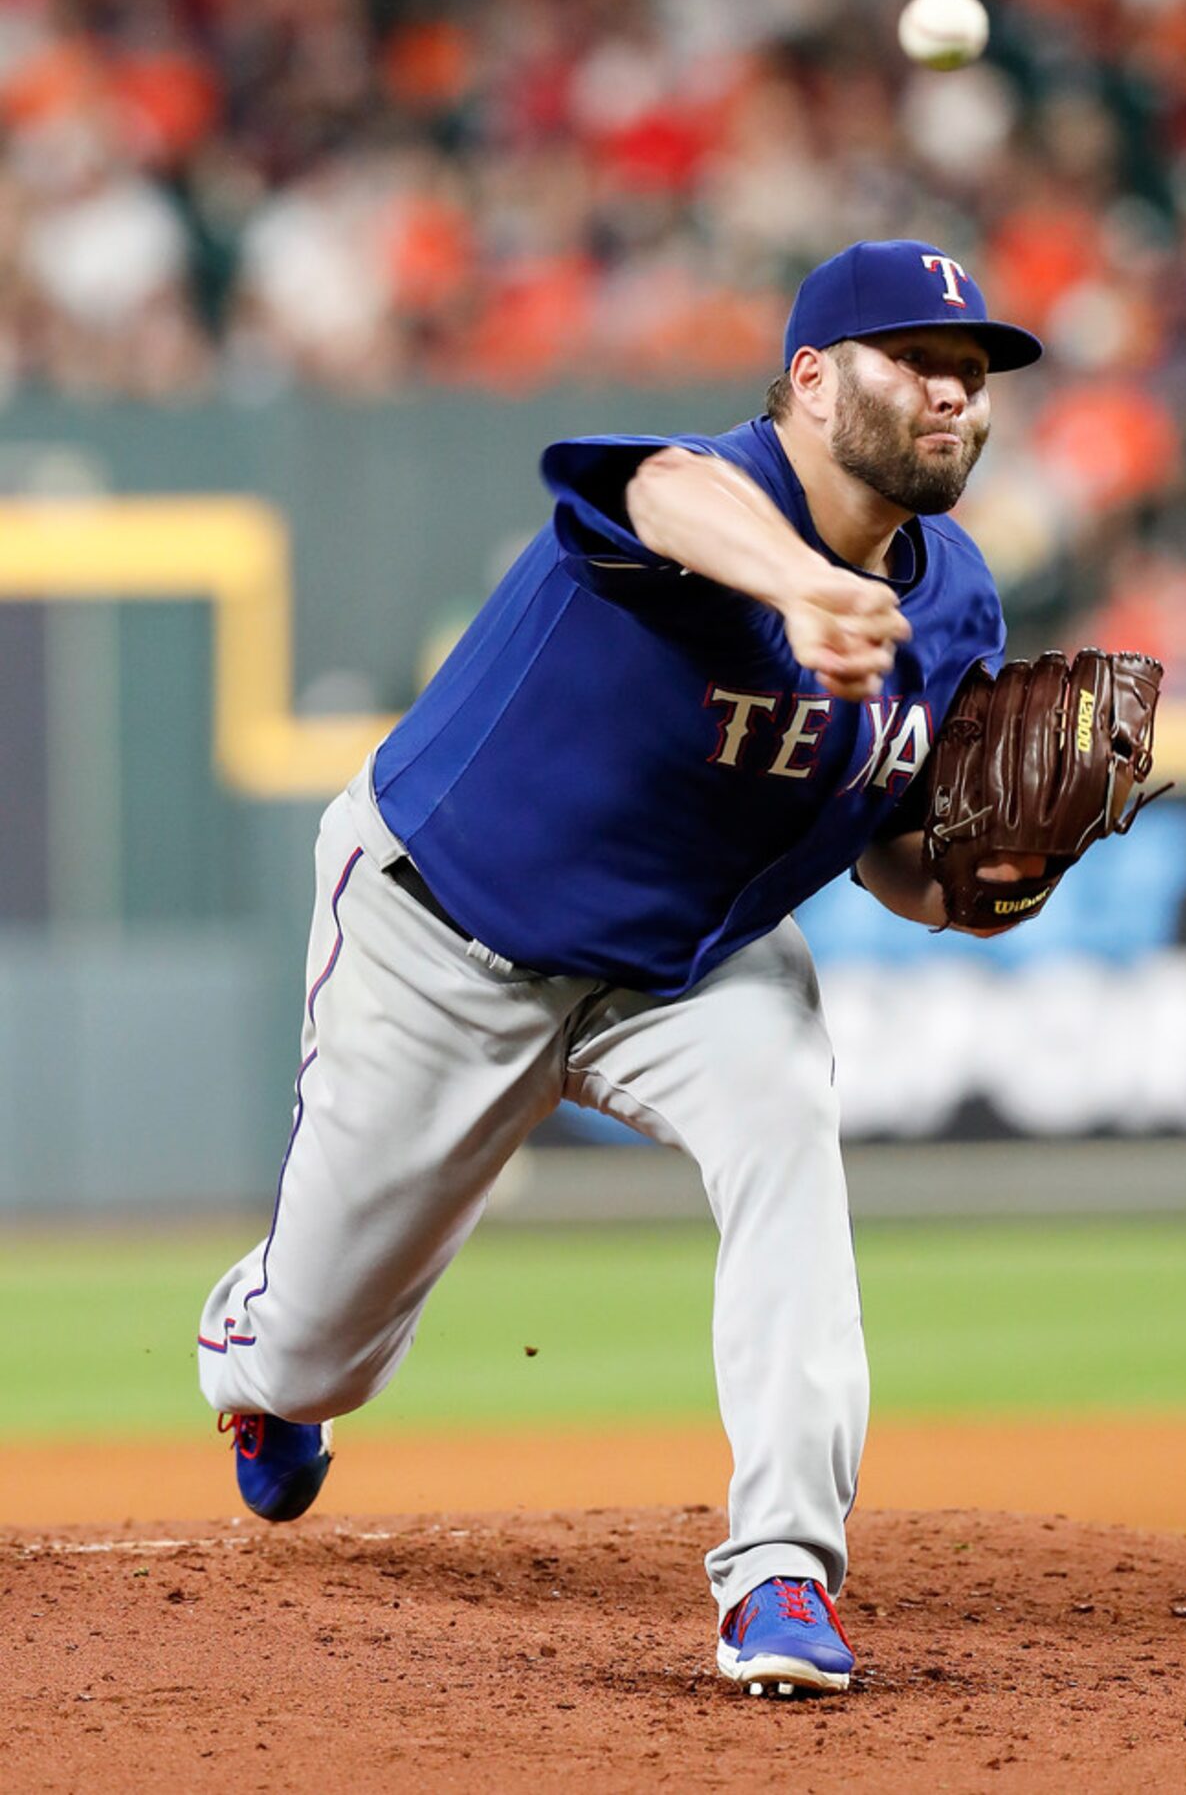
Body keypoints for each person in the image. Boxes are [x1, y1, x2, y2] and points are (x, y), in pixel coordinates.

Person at [198, 238, 1045, 1697]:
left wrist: (975, 891)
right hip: (447, 933)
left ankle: (781, 1572)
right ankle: (260, 1363)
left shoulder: (955, 600)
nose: (953, 395)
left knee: (788, 1118)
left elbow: (895, 853)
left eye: (971, 375)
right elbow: (651, 489)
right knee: (316, 1353)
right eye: (917, 362)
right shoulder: (713, 493)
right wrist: (796, 586)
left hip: (688, 972)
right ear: (808, 377)